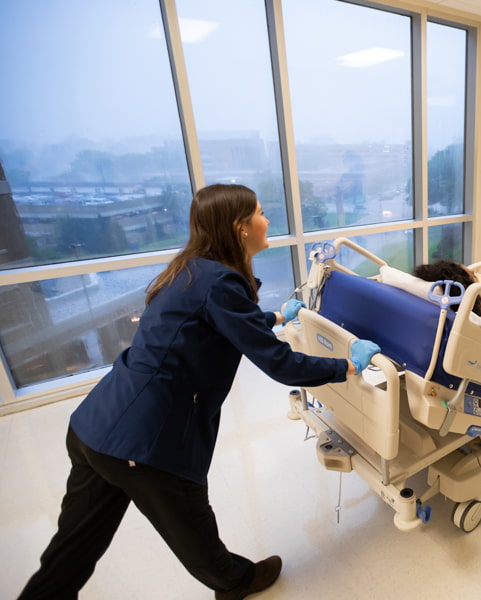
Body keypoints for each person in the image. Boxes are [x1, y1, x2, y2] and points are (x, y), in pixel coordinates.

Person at [17, 184, 380, 600]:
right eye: (260, 213)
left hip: (95, 426)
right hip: (143, 441)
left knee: (71, 551)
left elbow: (216, 321)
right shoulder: (222, 281)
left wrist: (278, 315)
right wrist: (349, 364)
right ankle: (235, 582)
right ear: (239, 227)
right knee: (192, 525)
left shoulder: (194, 267)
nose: (267, 221)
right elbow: (279, 364)